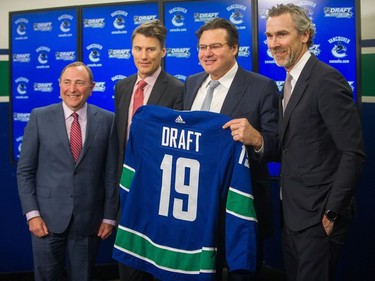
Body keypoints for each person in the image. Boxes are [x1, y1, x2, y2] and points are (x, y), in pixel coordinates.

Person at [263, 4, 366, 281]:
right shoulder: (288, 81)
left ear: (305, 35)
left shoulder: (326, 80)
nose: (274, 44)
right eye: (270, 36)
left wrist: (331, 213)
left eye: (282, 35)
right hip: (293, 214)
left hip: (319, 218)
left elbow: (353, 153)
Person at [184, 18, 279, 280]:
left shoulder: (262, 87)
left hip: (240, 206)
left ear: (234, 48)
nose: (207, 53)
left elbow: (276, 145)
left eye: (215, 46)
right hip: (197, 206)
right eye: (202, 47)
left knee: (242, 273)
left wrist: (256, 138)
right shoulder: (191, 84)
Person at [17, 61, 118, 281]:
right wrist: (32, 214)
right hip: (46, 219)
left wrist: (109, 217)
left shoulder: (107, 121)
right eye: (67, 82)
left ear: (91, 87)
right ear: (59, 85)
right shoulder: (39, 117)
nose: (72, 89)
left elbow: (111, 174)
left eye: (79, 83)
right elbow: (25, 171)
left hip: (89, 220)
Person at [113, 19, 184, 281]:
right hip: (126, 190)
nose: (144, 56)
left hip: (159, 190)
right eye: (138, 49)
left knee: (157, 266)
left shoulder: (178, 89)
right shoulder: (122, 87)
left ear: (163, 52)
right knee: (128, 264)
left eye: (151, 49)